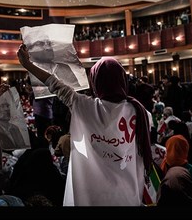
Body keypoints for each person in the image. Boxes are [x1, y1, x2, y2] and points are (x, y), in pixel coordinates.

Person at [17, 44, 152, 206]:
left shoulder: (84, 106)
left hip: (93, 197)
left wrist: (28, 65)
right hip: (127, 197)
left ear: (96, 82)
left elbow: (54, 83)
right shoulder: (140, 112)